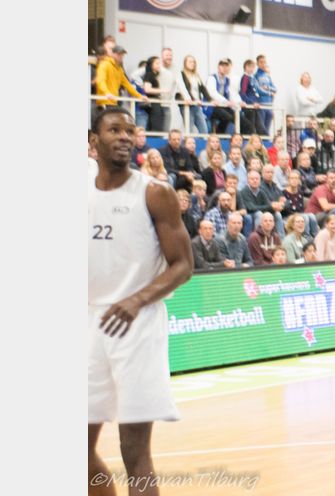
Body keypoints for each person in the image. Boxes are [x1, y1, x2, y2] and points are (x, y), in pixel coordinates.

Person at [88, 107, 193, 496]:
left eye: (129, 131)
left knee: (134, 450)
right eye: (113, 130)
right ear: (93, 141)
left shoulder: (155, 193)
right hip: (88, 323)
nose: (123, 136)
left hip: (137, 324)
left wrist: (136, 300)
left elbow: (183, 265)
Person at [178, 54, 212, 135]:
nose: (192, 63)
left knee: (204, 130)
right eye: (190, 62)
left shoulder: (196, 75)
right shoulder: (181, 74)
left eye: (193, 62)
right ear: (185, 63)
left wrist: (211, 100)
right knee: (189, 130)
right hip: (187, 105)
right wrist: (194, 100)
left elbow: (203, 89)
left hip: (197, 105)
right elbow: (184, 89)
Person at [204, 58, 239, 135]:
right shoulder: (212, 78)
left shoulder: (227, 80)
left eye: (226, 66)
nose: (224, 68)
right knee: (228, 117)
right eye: (222, 66)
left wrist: (233, 103)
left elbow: (229, 94)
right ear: (218, 67)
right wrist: (225, 101)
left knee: (236, 115)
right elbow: (212, 93)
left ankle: (220, 134)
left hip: (221, 106)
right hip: (211, 106)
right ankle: (219, 134)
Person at [238, 59, 266, 135]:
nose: (252, 69)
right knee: (252, 126)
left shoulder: (252, 78)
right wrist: (251, 103)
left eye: (253, 67)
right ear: (245, 67)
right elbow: (243, 93)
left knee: (260, 126)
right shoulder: (245, 78)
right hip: (249, 107)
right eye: (250, 67)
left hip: (254, 106)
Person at [255, 54, 278, 135]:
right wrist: (269, 92)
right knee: (261, 128)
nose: (263, 64)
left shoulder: (267, 76)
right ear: (257, 63)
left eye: (264, 62)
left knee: (267, 128)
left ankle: (266, 141)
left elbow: (275, 89)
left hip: (269, 105)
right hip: (261, 104)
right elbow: (258, 90)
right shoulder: (256, 76)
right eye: (261, 62)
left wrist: (267, 88)